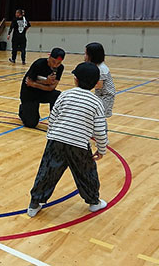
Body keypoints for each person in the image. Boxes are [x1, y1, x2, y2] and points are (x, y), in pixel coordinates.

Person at [27, 62, 108, 218]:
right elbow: (100, 130)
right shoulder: (96, 102)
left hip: (56, 141)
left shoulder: (64, 94)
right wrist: (102, 149)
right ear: (96, 83)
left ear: (75, 79)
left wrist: (51, 136)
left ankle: (34, 204)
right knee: (86, 173)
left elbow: (53, 117)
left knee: (47, 172)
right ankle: (94, 202)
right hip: (79, 146)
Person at [18, 47, 65, 128]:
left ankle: (54, 118)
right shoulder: (39, 64)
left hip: (43, 93)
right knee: (31, 124)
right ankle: (22, 109)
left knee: (57, 95)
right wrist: (46, 82)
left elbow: (51, 88)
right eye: (53, 61)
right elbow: (29, 82)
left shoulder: (60, 68)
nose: (55, 65)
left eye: (58, 63)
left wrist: (35, 84)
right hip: (29, 94)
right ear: (49, 57)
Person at [84, 42, 115, 120]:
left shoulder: (101, 69)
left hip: (106, 97)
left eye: (86, 54)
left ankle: (102, 131)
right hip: (100, 95)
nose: (84, 56)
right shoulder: (96, 66)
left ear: (93, 55)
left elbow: (99, 85)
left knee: (100, 117)